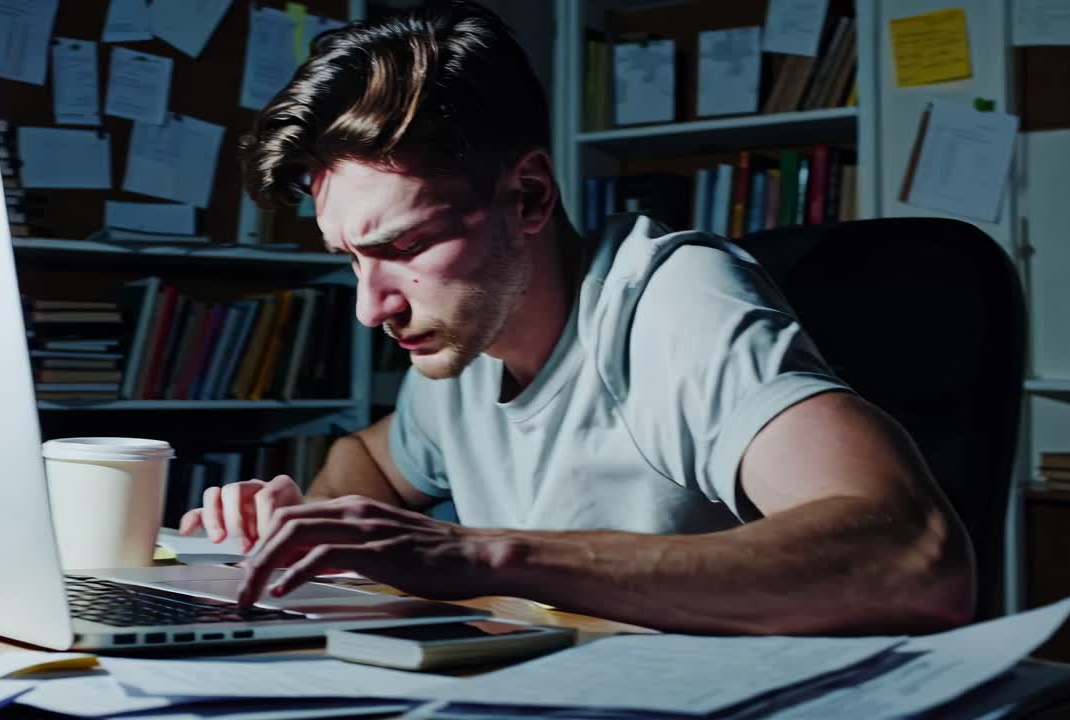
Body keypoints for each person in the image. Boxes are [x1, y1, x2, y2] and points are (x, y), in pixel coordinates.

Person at [179, 0, 975, 634]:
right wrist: (317, 526)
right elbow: (372, 461)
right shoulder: (462, 335)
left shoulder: (672, 302)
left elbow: (915, 554)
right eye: (352, 258)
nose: (371, 306)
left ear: (527, 195)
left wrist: (486, 554)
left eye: (407, 244)